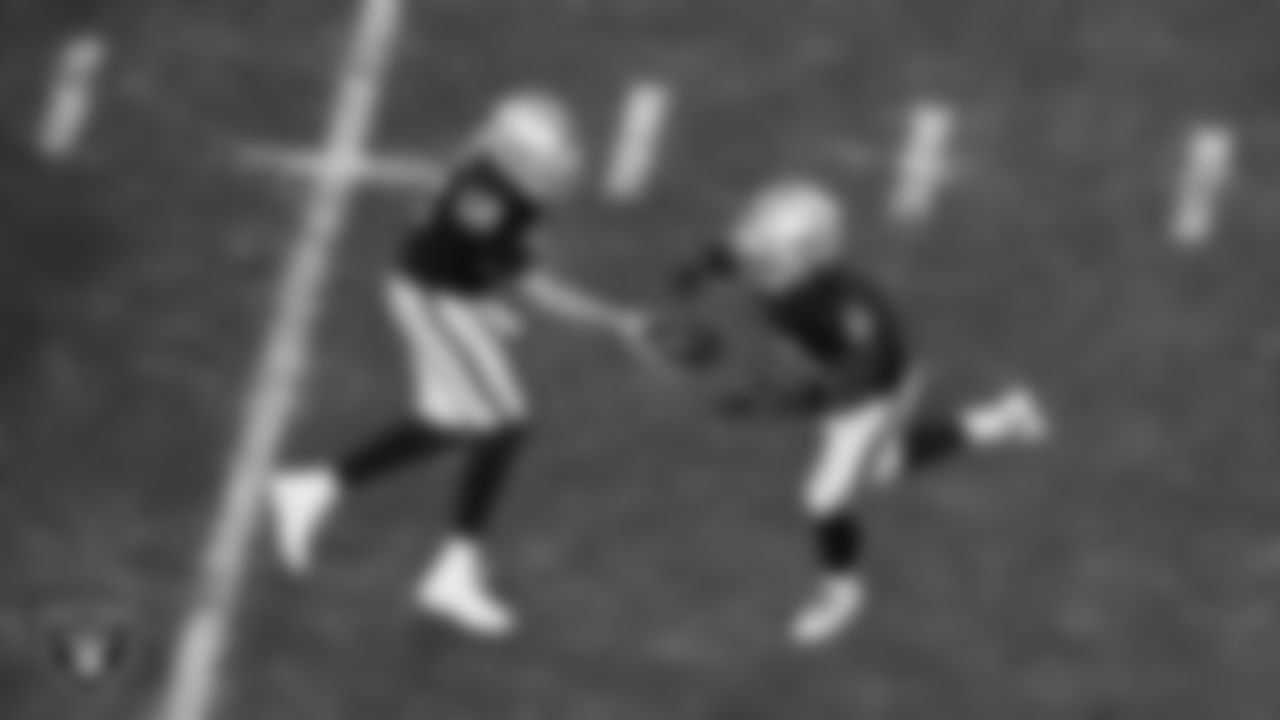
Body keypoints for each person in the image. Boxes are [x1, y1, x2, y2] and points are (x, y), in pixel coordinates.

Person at [265, 90, 650, 639]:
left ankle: (309, 489)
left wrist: (484, 294)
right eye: (545, 159)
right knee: (505, 424)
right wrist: (616, 320)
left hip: (452, 291)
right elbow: (534, 284)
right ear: (514, 157)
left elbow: (491, 241)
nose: (559, 166)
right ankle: (454, 572)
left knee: (449, 422)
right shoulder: (488, 200)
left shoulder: (496, 169)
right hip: (433, 302)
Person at [668, 178, 1050, 647]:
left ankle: (842, 593)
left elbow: (836, 393)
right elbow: (737, 251)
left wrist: (762, 404)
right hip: (851, 380)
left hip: (875, 396)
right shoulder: (795, 271)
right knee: (885, 466)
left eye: (771, 253)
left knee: (824, 499)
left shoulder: (837, 314)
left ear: (805, 258)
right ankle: (1006, 418)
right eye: (761, 246)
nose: (757, 258)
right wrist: (700, 268)